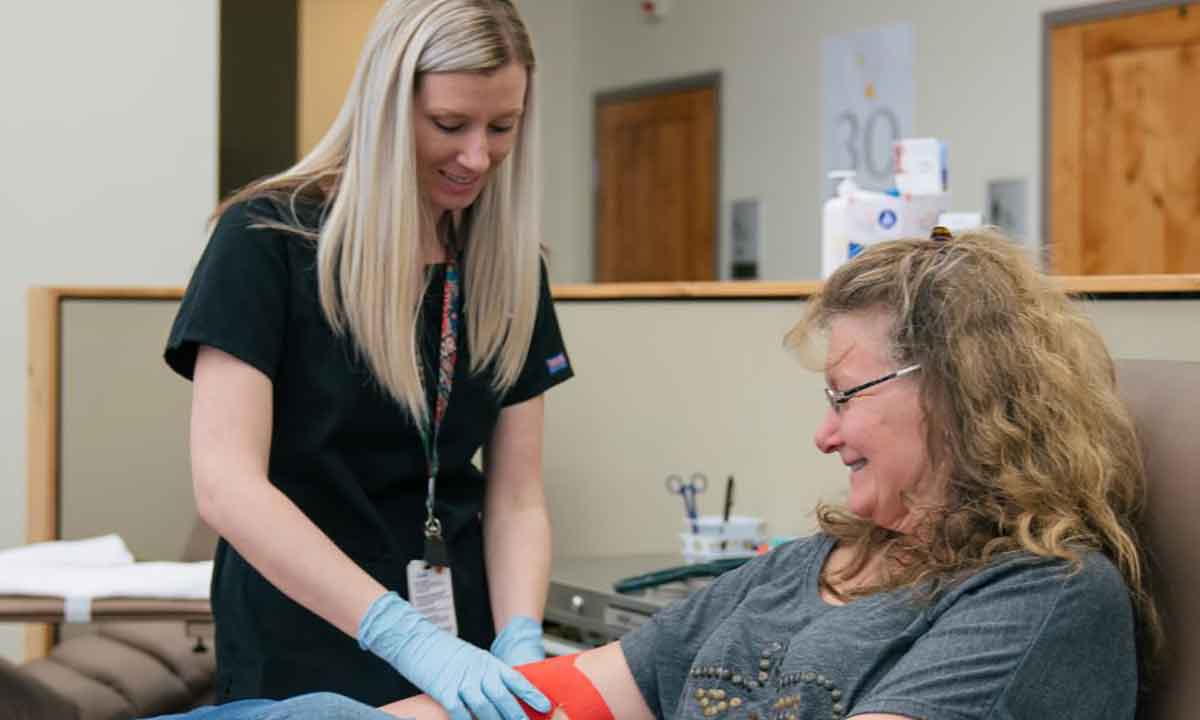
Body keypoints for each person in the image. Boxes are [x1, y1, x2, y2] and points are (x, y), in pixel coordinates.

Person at [375, 227, 1160, 719]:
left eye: (844, 397)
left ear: (956, 392)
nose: (824, 435)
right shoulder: (798, 570)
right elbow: (576, 695)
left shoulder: (1042, 595)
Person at [162, 1, 570, 718]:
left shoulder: (505, 267)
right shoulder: (266, 242)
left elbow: (517, 496)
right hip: (304, 630)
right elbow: (227, 486)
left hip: (459, 643)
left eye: (502, 127)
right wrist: (400, 634)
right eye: (450, 125)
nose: (478, 156)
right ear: (386, 107)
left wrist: (519, 634)